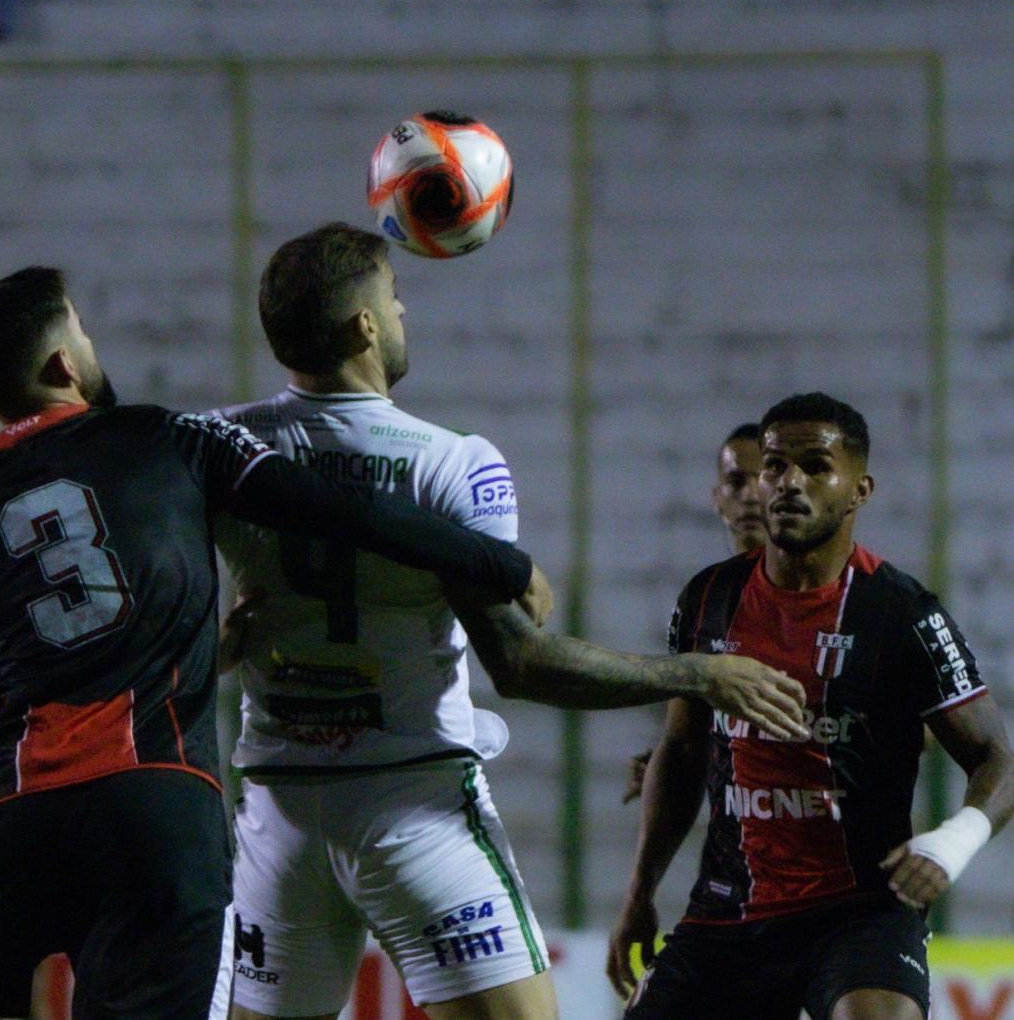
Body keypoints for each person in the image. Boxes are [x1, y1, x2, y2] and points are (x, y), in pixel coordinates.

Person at [0, 266, 548, 1020]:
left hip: (16, 810)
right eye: (83, 333)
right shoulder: (167, 437)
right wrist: (500, 563)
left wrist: (198, 642)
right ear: (63, 364)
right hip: (154, 803)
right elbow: (339, 510)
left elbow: (4, 670)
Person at [213, 224, 809, 1020]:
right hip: (414, 805)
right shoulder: (452, 461)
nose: (403, 313)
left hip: (278, 810)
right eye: (394, 298)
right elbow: (521, 662)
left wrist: (212, 648)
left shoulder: (217, 445)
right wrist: (700, 673)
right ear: (364, 326)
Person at [606, 392, 1014, 1020]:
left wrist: (951, 843)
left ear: (859, 490)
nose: (788, 482)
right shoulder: (708, 599)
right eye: (774, 466)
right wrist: (639, 894)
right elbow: (683, 751)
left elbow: (998, 759)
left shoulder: (902, 613)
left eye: (816, 467)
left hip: (862, 910)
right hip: (732, 908)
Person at [623, 423, 768, 803]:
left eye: (763, 479)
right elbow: (689, 735)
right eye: (736, 482)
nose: (750, 495)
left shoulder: (828, 593)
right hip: (735, 833)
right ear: (717, 499)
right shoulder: (704, 600)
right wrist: (668, 764)